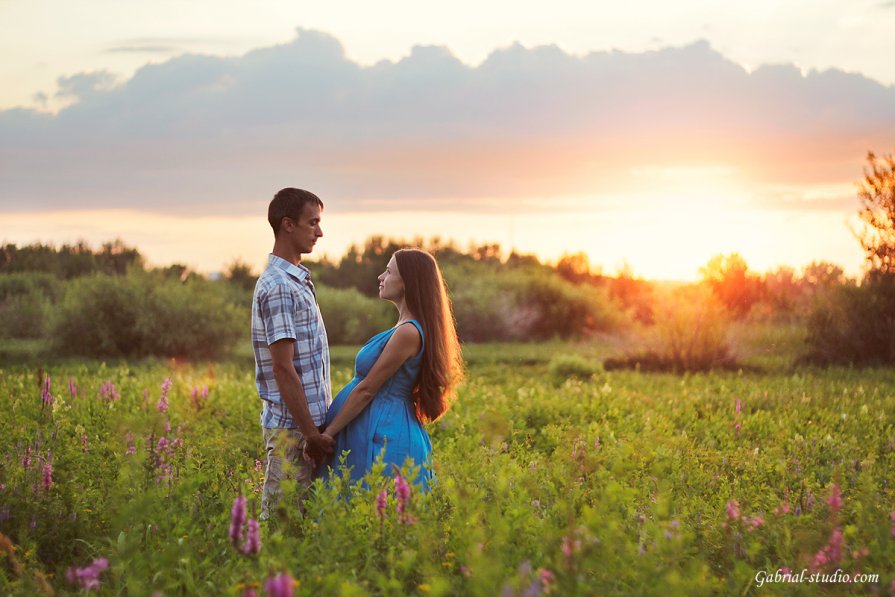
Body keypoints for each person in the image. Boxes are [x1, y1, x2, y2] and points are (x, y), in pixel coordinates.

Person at [318, 248, 464, 491]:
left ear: (407, 282)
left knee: (378, 511)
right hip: (374, 426)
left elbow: (368, 388)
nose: (380, 277)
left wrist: (328, 433)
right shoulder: (403, 328)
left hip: (384, 432)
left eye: (388, 271)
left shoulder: (408, 332)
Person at [252, 187, 335, 520]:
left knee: (302, 531)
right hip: (293, 433)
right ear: (288, 225)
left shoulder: (296, 282)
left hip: (306, 430)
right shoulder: (278, 287)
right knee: (280, 531)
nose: (320, 231)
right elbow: (283, 369)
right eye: (312, 223)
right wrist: (310, 435)